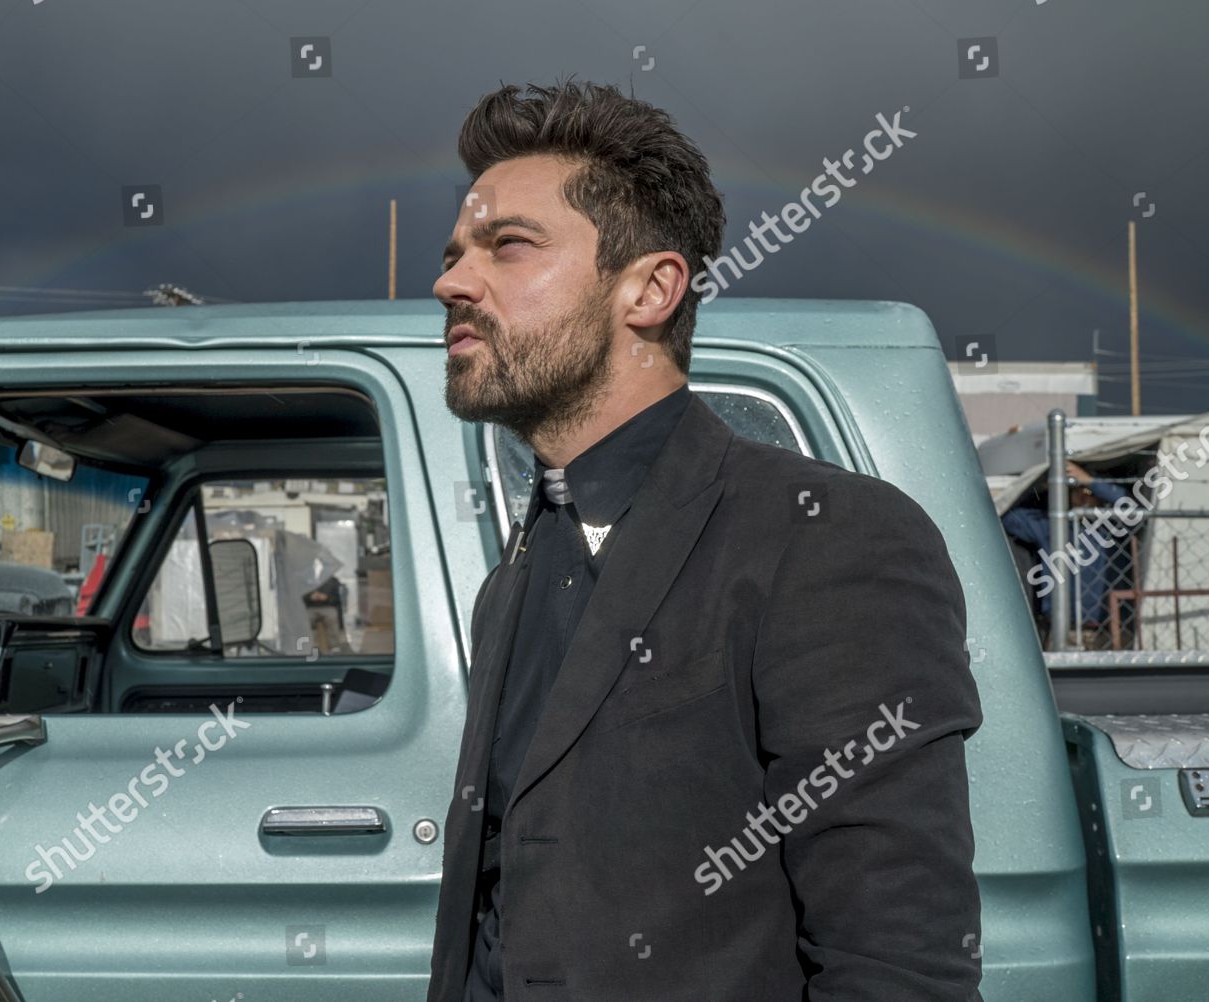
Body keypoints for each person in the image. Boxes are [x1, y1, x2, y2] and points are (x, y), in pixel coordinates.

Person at [426, 80, 984, 1001]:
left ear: (649, 288)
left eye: (508, 246)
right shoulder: (514, 579)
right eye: (454, 255)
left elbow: (897, 964)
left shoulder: (827, 541)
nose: (451, 282)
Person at [1000, 460, 1135, 649]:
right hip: (1063, 629)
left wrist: (1090, 481)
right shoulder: (1053, 525)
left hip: (1110, 628)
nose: (1083, 497)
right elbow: (1008, 517)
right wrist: (1045, 486)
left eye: (1089, 492)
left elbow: (1132, 507)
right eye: (1076, 490)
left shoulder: (1113, 527)